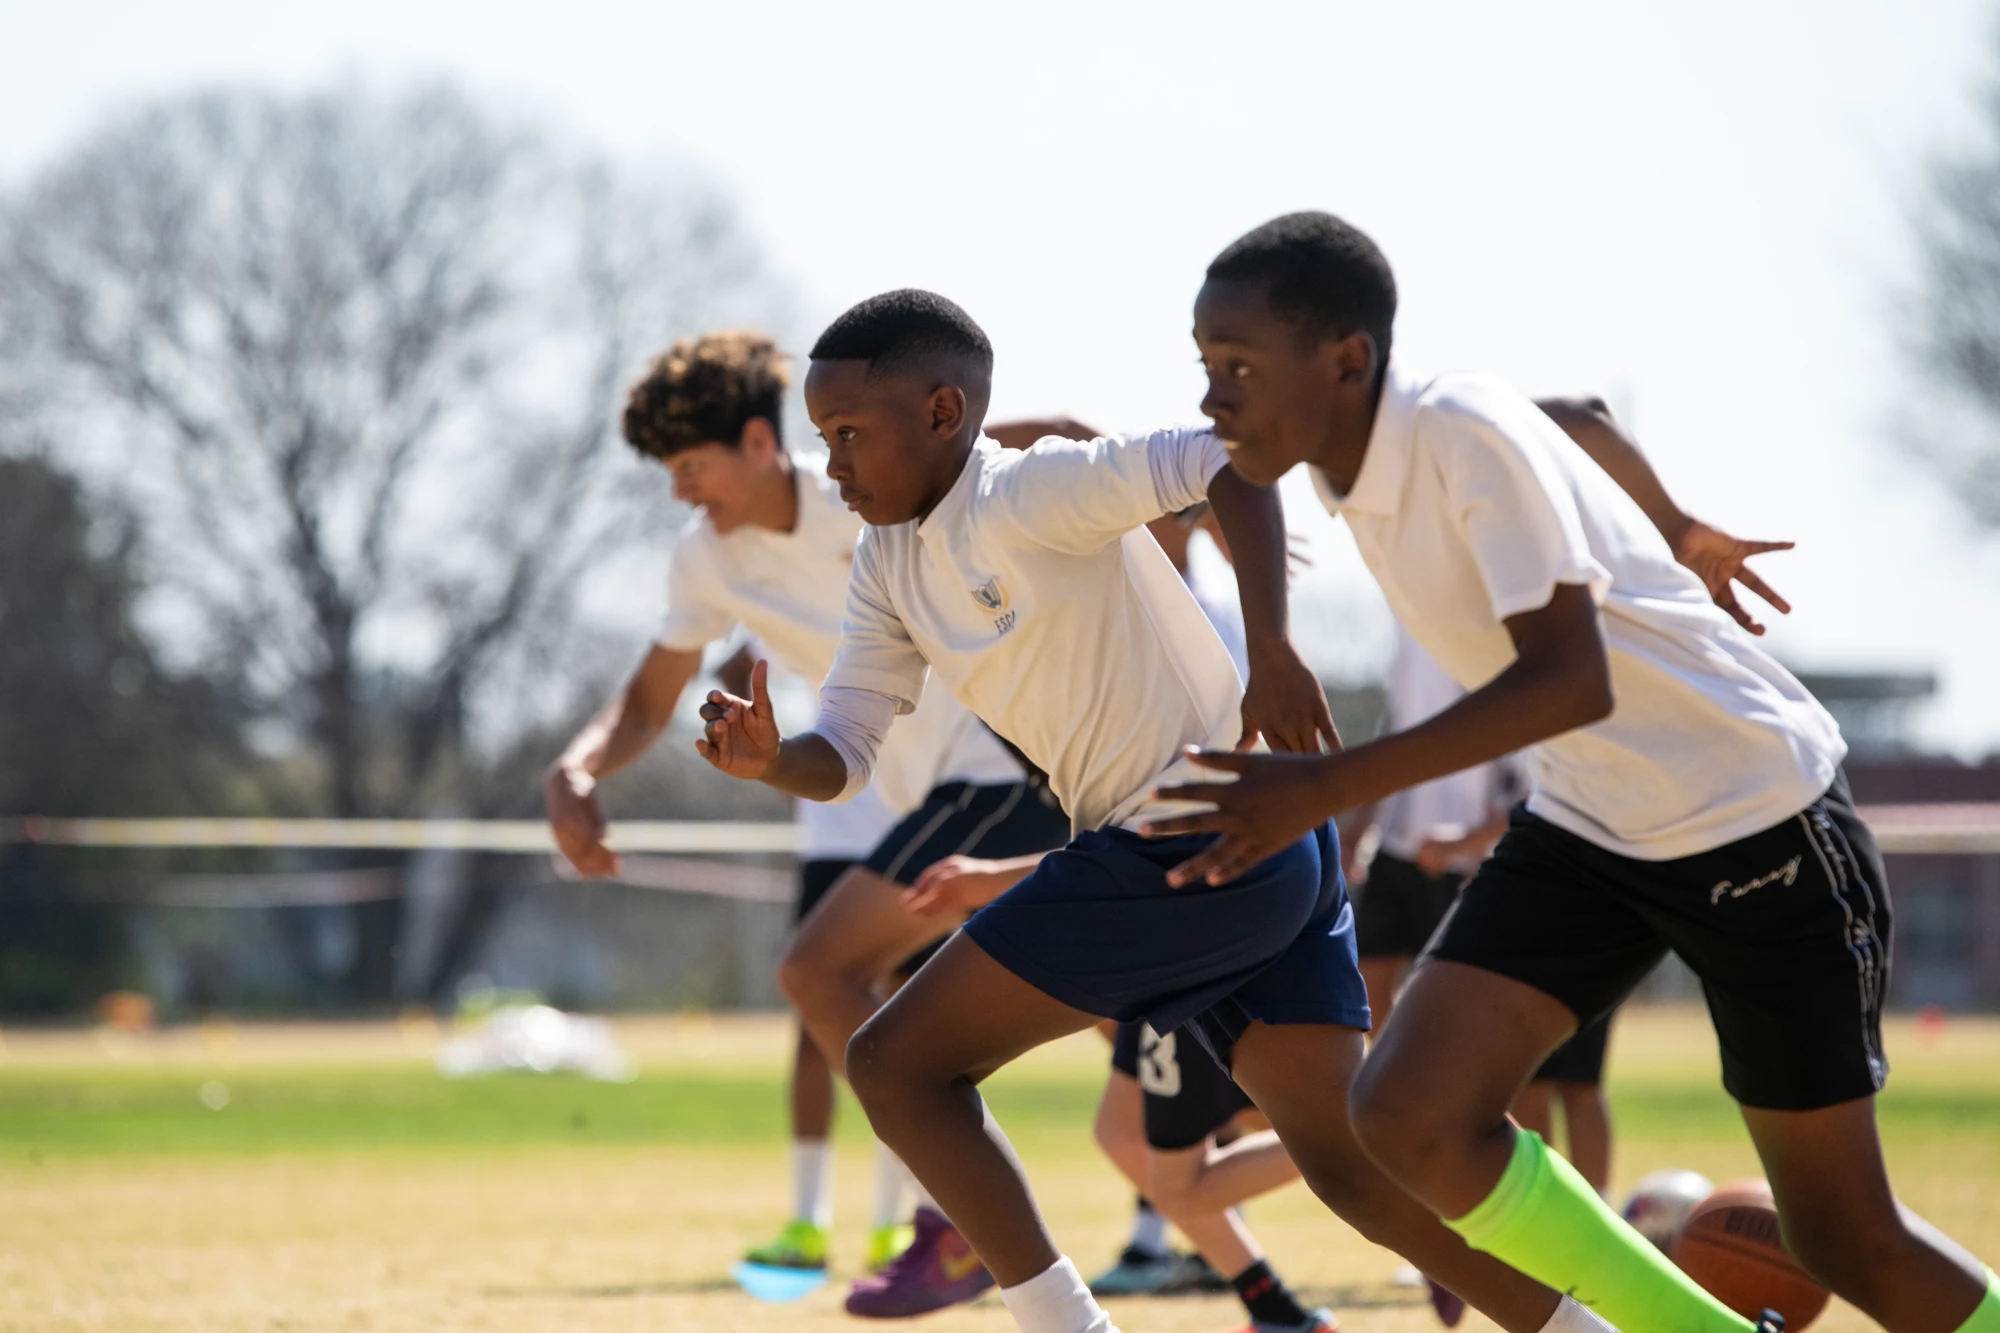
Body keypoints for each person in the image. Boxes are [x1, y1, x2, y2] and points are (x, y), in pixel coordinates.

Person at [695, 288, 1616, 1333]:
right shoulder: (886, 560)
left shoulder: (1032, 488)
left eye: (850, 434)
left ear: (944, 414)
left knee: (894, 1063)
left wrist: (1272, 650)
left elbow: (1231, 464)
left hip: (1197, 833)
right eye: (824, 438)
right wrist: (774, 760)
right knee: (1358, 1176)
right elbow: (847, 750)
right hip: (1252, 844)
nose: (834, 465)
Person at [1159, 209, 2000, 1333]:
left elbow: (1569, 681)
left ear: (1347, 361)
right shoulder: (1352, 448)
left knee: (1841, 1235)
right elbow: (1574, 417)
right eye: (1205, 365)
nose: (1214, 396)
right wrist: (1672, 526)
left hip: (1755, 814)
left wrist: (1324, 785)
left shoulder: (1456, 431)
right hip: (1595, 825)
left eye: (1239, 366)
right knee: (1407, 1112)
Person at [541, 329, 1063, 1289]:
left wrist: (1177, 511)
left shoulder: (862, 488)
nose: (680, 493)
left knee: (819, 970)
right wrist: (575, 769)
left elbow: (1036, 438)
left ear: (756, 441)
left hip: (1001, 771)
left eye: (691, 467)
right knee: (1151, 1020)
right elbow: (650, 700)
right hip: (926, 801)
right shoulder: (706, 561)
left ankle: (957, 1213)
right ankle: (962, 1213)